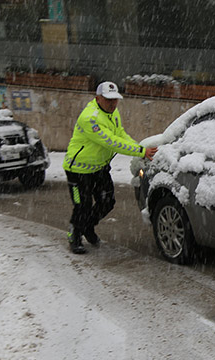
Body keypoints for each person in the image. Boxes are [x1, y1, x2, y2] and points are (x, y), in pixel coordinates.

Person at [63, 81, 158, 254]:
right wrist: (141, 151)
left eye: (115, 100)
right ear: (97, 98)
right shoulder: (90, 118)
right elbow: (111, 142)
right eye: (108, 100)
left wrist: (139, 147)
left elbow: (120, 134)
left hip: (100, 168)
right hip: (78, 171)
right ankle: (74, 234)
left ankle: (87, 227)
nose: (113, 103)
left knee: (107, 202)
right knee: (82, 206)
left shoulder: (113, 113)